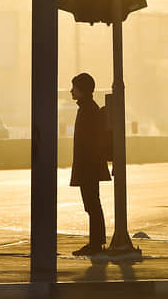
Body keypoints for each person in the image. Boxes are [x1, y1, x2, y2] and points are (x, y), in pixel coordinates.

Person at [69, 72, 111, 256]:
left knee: (92, 204)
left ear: (82, 90)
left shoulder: (88, 111)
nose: (71, 91)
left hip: (88, 166)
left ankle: (95, 244)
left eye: (74, 88)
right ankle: (96, 242)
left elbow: (88, 142)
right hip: (89, 166)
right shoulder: (88, 108)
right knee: (93, 204)